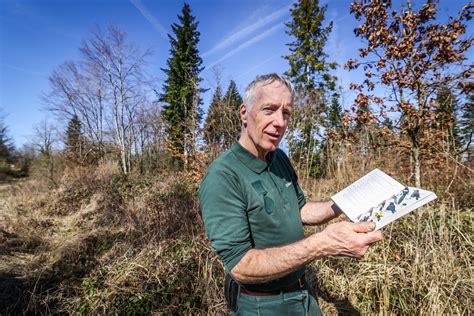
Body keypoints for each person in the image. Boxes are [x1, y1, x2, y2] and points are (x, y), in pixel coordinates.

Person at [199, 73, 383, 315]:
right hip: (261, 304)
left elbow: (300, 209)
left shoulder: (278, 158)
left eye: (286, 113)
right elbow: (240, 265)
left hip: (304, 295)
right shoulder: (223, 176)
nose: (280, 122)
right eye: (269, 109)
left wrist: (346, 202)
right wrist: (322, 244)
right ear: (244, 112)